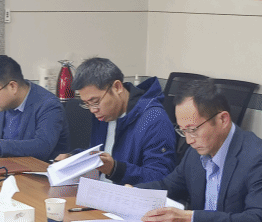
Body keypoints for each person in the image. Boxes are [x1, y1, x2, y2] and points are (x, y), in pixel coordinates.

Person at [136, 79, 262, 222]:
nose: (188, 140)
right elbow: (169, 186)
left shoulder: (260, 159)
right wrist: (133, 193)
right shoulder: (196, 152)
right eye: (183, 130)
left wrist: (189, 219)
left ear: (223, 119)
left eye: (193, 129)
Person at [54, 57, 176, 185]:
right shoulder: (104, 114)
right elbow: (103, 154)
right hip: (97, 189)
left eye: (95, 102)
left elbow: (160, 178)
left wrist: (115, 170)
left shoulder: (154, 119)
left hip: (126, 194)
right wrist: (72, 158)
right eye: (86, 104)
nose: (92, 110)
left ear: (117, 87)